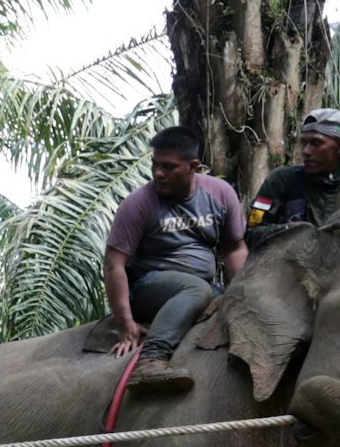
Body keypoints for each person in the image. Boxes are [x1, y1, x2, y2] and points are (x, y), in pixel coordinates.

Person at [101, 124, 248, 391]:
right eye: (155, 165)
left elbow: (234, 249)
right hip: (148, 287)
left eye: (168, 167)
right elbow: (113, 264)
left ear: (193, 166)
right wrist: (125, 324)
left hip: (205, 289)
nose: (159, 173)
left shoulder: (219, 193)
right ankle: (151, 359)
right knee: (196, 289)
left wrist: (241, 295)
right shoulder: (138, 204)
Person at [244, 108, 340, 248]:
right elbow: (251, 233)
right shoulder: (283, 180)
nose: (306, 151)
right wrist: (289, 230)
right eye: (304, 143)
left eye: (316, 143)